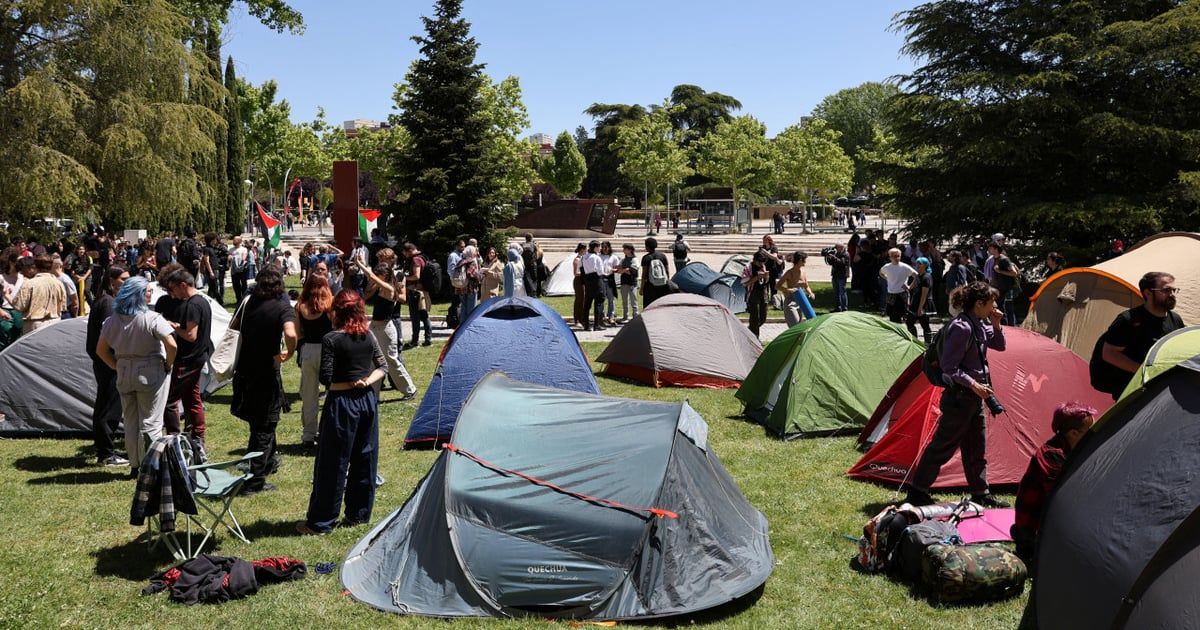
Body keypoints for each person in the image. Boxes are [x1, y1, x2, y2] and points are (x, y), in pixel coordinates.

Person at [905, 281, 1008, 508]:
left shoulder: (981, 323)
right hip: (960, 397)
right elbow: (949, 366)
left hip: (974, 396)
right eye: (992, 302)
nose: (995, 306)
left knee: (976, 447)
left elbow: (1000, 346)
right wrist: (974, 384)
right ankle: (917, 491)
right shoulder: (961, 327)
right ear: (979, 303)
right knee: (943, 446)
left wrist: (997, 323)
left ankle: (980, 493)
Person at [296, 290, 387, 535]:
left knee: (333, 462)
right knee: (365, 457)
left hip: (342, 403)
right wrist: (366, 381)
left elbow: (327, 378)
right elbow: (383, 366)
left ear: (337, 311)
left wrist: (351, 383)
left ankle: (321, 522)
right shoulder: (367, 335)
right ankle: (359, 514)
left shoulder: (331, 339)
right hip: (366, 401)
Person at [95, 276, 177, 475]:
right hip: (150, 370)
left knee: (131, 421)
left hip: (124, 370)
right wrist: (168, 363)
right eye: (148, 290)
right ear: (139, 294)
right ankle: (152, 467)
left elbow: (101, 350)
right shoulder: (151, 318)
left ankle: (135, 465)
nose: (150, 293)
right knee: (151, 421)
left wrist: (116, 366)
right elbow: (172, 344)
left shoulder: (112, 320)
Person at [229, 266, 297, 494]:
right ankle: (254, 481)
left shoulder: (247, 301)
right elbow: (290, 333)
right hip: (266, 373)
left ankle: (269, 462)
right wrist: (290, 351)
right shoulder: (281, 305)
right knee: (264, 426)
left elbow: (232, 326)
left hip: (244, 369)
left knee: (261, 421)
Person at [1011, 402, 1098, 569]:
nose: (1095, 435)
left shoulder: (1068, 449)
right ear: (1073, 433)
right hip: (1035, 536)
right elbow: (1070, 502)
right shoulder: (1053, 456)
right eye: (1090, 431)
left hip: (1048, 527)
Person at [1093, 271, 1184, 399]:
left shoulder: (1175, 320)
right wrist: (1146, 372)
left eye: (1174, 290)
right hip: (1131, 391)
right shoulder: (1129, 320)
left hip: (1163, 389)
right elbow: (1109, 354)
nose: (1172, 295)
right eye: (1167, 290)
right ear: (1148, 293)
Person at [160, 268, 213, 450]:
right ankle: (198, 437)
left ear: (183, 285)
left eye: (173, 289)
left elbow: (191, 335)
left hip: (188, 358)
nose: (172, 294)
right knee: (192, 398)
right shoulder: (203, 301)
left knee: (169, 400)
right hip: (199, 356)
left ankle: (173, 439)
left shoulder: (192, 305)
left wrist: (172, 327)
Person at [87, 265, 130, 466]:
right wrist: (114, 363)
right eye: (123, 279)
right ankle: (105, 454)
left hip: (107, 362)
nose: (127, 282)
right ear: (112, 281)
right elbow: (109, 338)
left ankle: (106, 450)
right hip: (108, 363)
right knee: (108, 408)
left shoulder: (106, 301)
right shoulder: (107, 303)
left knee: (107, 405)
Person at [361, 261, 418, 399]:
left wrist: (360, 264)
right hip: (374, 327)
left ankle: (410, 390)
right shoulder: (381, 287)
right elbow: (368, 289)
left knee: (391, 360)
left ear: (385, 275)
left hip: (385, 329)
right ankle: (372, 394)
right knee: (372, 359)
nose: (376, 276)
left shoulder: (390, 289)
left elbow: (370, 275)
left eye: (379, 274)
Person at [296, 273, 334, 450]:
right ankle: (329, 430)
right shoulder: (330, 304)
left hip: (308, 350)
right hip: (328, 349)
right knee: (333, 392)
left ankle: (308, 435)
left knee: (309, 395)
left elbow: (298, 333)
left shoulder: (301, 306)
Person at [12, 255, 66, 334]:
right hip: (55, 322)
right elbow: (63, 306)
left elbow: (19, 306)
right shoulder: (59, 283)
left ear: (35, 266)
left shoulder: (29, 283)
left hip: (34, 325)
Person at [401, 242, 433, 348]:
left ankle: (415, 341)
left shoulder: (415, 260)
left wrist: (405, 278)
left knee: (415, 317)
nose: (405, 256)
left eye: (405, 253)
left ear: (409, 251)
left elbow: (416, 276)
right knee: (424, 315)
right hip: (422, 291)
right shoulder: (422, 257)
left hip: (415, 291)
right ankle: (428, 339)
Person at [776, 252, 816, 327]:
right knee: (795, 326)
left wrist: (810, 293)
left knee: (799, 326)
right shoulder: (789, 273)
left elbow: (806, 286)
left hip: (801, 301)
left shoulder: (803, 272)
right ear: (800, 260)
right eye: (805, 260)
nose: (806, 262)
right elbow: (777, 286)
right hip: (791, 302)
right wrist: (788, 290)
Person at [879, 248, 917, 323]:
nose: (896, 258)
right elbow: (881, 273)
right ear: (890, 257)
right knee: (890, 313)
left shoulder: (904, 266)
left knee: (899, 314)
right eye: (894, 256)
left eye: (898, 256)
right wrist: (886, 278)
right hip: (891, 293)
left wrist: (910, 287)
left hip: (901, 293)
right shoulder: (887, 267)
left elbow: (916, 276)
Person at [987, 241, 1019, 325]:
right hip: (997, 288)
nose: (989, 250)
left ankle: (1004, 327)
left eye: (991, 248)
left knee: (1000, 308)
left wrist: (999, 271)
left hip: (1004, 288)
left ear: (996, 249)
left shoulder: (1004, 259)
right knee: (999, 307)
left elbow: (1014, 273)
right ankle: (1001, 326)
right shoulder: (995, 259)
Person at [906, 257, 936, 343]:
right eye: (917, 263)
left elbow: (924, 294)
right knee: (909, 323)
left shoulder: (926, 277)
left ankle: (928, 344)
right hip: (915, 303)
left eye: (920, 263)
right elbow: (910, 288)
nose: (917, 265)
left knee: (925, 325)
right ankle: (915, 342)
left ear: (925, 265)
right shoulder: (918, 276)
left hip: (923, 304)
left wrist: (920, 308)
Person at [742, 251, 771, 338]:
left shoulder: (763, 266)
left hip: (763, 292)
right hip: (753, 293)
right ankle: (755, 337)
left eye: (763, 262)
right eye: (760, 262)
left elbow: (766, 282)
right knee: (754, 316)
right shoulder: (748, 267)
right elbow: (744, 283)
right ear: (755, 260)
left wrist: (766, 277)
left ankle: (750, 330)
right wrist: (756, 277)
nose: (761, 264)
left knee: (763, 317)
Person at [580, 240, 606, 331]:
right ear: (595, 247)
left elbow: (582, 269)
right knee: (598, 302)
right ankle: (596, 325)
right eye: (599, 247)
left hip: (588, 280)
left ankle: (586, 325)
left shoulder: (583, 257)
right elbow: (600, 271)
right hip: (596, 280)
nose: (600, 249)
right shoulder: (596, 257)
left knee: (587, 303)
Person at [640, 237, 671, 308]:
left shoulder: (645, 258)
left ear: (647, 246)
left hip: (650, 285)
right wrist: (667, 282)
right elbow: (667, 271)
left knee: (648, 306)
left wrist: (642, 288)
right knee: (660, 305)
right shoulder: (662, 256)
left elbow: (644, 274)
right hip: (662, 284)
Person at [614, 243, 640, 323]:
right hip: (624, 282)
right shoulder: (623, 259)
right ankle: (625, 317)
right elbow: (618, 269)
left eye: (625, 249)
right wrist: (625, 269)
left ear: (630, 250)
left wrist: (624, 270)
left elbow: (632, 271)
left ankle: (636, 317)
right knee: (624, 301)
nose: (623, 250)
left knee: (633, 301)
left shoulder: (635, 259)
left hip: (632, 283)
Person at [455, 245, 481, 323]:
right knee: (471, 310)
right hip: (471, 289)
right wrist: (480, 275)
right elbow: (471, 274)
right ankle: (469, 326)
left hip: (461, 287)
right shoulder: (471, 261)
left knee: (463, 308)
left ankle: (462, 325)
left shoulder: (461, 261)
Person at [66, 244, 92, 311]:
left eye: (83, 249)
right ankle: (80, 309)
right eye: (80, 249)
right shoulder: (75, 260)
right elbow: (72, 271)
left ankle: (92, 306)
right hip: (78, 278)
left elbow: (90, 269)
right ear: (77, 250)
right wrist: (77, 276)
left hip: (87, 277)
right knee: (77, 292)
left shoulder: (88, 258)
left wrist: (84, 277)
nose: (81, 251)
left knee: (86, 291)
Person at [825, 244, 851, 312]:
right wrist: (828, 257)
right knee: (836, 292)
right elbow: (831, 263)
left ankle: (844, 308)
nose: (836, 249)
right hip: (835, 275)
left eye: (837, 247)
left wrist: (833, 257)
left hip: (842, 275)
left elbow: (841, 263)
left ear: (841, 247)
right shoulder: (836, 253)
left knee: (842, 292)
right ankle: (838, 307)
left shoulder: (846, 254)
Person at [446, 239, 465, 329]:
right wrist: (454, 280)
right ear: (457, 246)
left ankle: (456, 319)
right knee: (456, 301)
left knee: (459, 302)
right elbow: (451, 269)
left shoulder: (462, 255)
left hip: (461, 282)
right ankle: (453, 320)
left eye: (464, 246)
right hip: (455, 283)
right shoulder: (453, 256)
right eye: (461, 246)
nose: (463, 248)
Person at [759, 235, 784, 303]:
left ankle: (774, 300)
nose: (763, 242)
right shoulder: (762, 247)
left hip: (772, 269)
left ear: (769, 240)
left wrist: (766, 252)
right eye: (763, 240)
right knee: (764, 285)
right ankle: (765, 299)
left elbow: (774, 257)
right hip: (764, 269)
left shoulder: (774, 248)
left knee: (773, 286)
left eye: (765, 240)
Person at [600, 241, 619, 326]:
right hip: (601, 278)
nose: (605, 249)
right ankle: (602, 316)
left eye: (606, 247)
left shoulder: (614, 257)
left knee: (611, 298)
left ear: (609, 247)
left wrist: (615, 270)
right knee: (602, 298)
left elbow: (617, 267)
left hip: (610, 278)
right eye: (603, 247)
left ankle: (611, 316)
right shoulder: (598, 256)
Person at [229, 235, 249, 304]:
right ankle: (238, 299)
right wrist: (229, 257)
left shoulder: (244, 249)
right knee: (236, 285)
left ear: (239, 241)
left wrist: (235, 258)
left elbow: (244, 257)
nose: (233, 241)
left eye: (235, 240)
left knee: (244, 285)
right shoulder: (231, 249)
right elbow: (228, 258)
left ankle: (244, 299)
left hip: (242, 269)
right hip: (234, 271)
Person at [570, 243, 587, 327]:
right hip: (578, 281)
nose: (586, 251)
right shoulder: (577, 259)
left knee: (584, 300)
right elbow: (575, 273)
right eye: (585, 249)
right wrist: (585, 273)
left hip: (584, 281)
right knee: (579, 300)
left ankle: (582, 318)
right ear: (582, 249)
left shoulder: (584, 258)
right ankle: (577, 319)